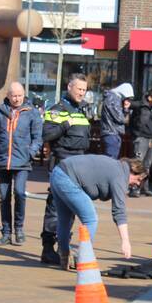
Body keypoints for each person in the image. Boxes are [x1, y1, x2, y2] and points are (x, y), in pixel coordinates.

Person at [48, 154, 147, 268]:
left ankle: (64, 256)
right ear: (133, 171)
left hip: (58, 172)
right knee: (91, 219)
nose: (138, 184)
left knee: (64, 220)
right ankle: (82, 257)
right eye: (139, 179)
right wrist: (125, 241)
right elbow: (119, 211)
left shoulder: (116, 167)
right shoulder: (120, 176)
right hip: (68, 178)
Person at [0, 82, 42, 247]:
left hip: (22, 161)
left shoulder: (32, 113)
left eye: (20, 95)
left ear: (24, 94)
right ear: (8, 95)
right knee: (4, 196)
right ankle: (6, 232)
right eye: (14, 95)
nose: (17, 99)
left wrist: (31, 152)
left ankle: (19, 229)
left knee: (20, 193)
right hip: (2, 160)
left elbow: (37, 137)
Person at [39, 74, 92, 265]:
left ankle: (64, 246)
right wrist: (65, 125)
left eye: (84, 90)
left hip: (79, 163)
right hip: (62, 161)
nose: (82, 93)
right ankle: (48, 248)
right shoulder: (57, 110)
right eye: (79, 89)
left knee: (72, 206)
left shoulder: (82, 109)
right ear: (69, 87)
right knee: (55, 205)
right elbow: (46, 134)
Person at [128, 88, 152, 197]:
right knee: (137, 163)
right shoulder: (141, 106)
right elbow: (131, 107)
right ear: (149, 98)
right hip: (141, 138)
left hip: (151, 138)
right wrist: (136, 133)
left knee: (147, 164)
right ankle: (134, 187)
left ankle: (144, 187)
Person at [100, 82, 134, 158]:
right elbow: (120, 118)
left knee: (111, 159)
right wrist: (125, 109)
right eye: (128, 98)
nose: (128, 101)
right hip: (111, 133)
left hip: (112, 132)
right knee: (111, 160)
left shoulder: (113, 98)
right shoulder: (113, 99)